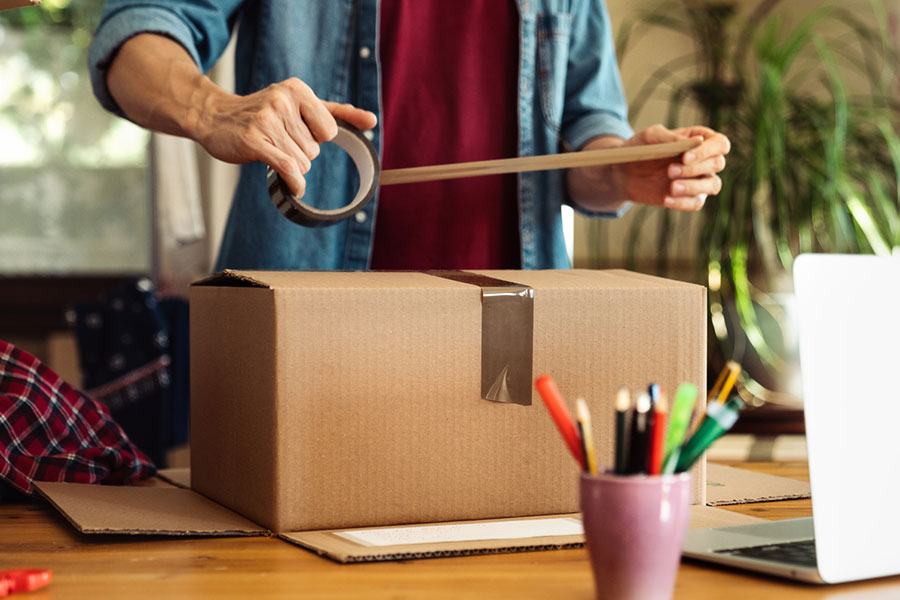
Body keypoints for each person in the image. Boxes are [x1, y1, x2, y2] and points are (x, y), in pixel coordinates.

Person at [88, 1, 730, 272]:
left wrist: (621, 168)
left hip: (510, 343)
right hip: (306, 331)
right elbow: (134, 34)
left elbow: (587, 133)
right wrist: (210, 109)